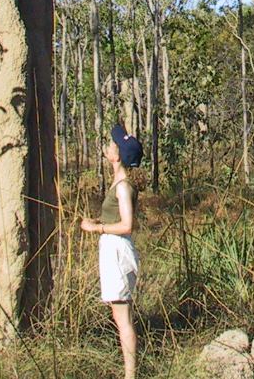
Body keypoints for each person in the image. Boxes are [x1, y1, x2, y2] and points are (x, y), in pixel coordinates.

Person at [82, 124, 142, 379]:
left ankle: (130, 375)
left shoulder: (122, 186)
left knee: (122, 318)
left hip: (117, 251)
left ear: (116, 156)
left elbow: (127, 225)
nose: (107, 147)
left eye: (111, 145)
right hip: (113, 248)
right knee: (121, 314)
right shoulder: (118, 182)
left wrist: (98, 228)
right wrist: (99, 223)